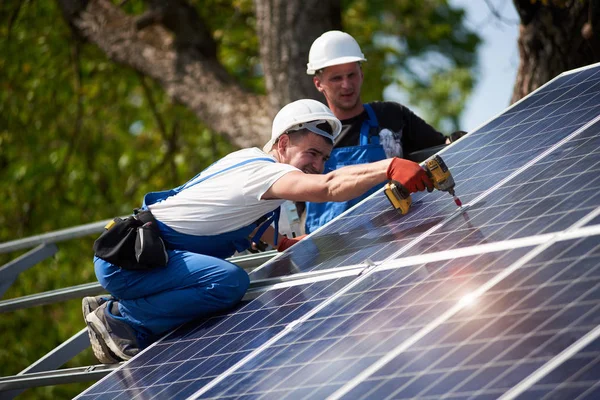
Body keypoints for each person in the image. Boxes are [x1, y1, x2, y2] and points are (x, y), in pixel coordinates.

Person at [82, 99, 433, 364]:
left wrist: (281, 242)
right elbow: (327, 187)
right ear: (282, 144)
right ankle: (120, 319)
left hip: (143, 258)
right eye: (311, 152)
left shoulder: (248, 159)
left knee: (231, 280)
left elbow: (236, 217)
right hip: (133, 262)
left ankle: (128, 305)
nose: (317, 164)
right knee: (229, 282)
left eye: (324, 157)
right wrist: (389, 165)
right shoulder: (263, 175)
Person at [303, 30, 465, 234]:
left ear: (361, 74)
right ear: (319, 84)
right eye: (336, 78)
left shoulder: (392, 116)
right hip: (333, 246)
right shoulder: (308, 134)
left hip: (397, 239)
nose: (346, 85)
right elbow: (287, 186)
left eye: (351, 74)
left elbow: (438, 148)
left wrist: (456, 142)